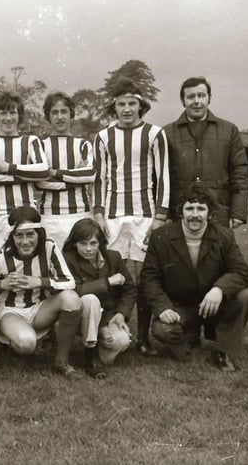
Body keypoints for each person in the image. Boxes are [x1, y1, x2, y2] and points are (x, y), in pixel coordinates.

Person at [93, 77, 169, 356]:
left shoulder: (155, 134)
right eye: (121, 104)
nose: (127, 109)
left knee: (144, 278)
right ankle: (113, 330)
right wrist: (98, 212)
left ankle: (144, 338)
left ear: (141, 106)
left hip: (144, 215)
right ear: (114, 106)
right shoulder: (103, 136)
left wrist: (160, 216)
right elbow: (98, 179)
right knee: (115, 277)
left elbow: (163, 177)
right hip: (112, 216)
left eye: (132, 104)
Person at [141, 184, 248, 371]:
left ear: (209, 213)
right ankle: (189, 336)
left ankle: (223, 349)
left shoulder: (224, 235)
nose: (195, 214)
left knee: (245, 297)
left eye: (201, 209)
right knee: (163, 329)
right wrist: (163, 307)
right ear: (181, 212)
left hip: (213, 306)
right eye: (189, 208)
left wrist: (219, 289)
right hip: (181, 307)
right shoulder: (161, 237)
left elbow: (243, 272)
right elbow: (149, 278)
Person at [0, 206, 84, 377]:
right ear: (12, 236)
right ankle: (7, 344)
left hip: (40, 310)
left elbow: (69, 282)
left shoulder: (49, 248)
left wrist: (38, 282)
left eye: (30, 234)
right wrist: (2, 284)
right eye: (19, 235)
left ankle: (61, 362)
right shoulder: (3, 258)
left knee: (71, 298)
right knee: (27, 343)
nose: (25, 241)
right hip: (11, 312)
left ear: (39, 233)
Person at [164, 76, 248, 228]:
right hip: (180, 215)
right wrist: (165, 214)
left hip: (218, 213)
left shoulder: (229, 131)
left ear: (209, 98)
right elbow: (161, 179)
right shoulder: (167, 133)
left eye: (201, 95)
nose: (197, 101)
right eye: (190, 97)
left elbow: (240, 172)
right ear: (183, 101)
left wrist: (238, 212)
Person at [0, 91, 50, 253]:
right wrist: (25, 176)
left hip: (26, 214)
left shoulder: (31, 141)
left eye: (12, 112)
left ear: (19, 115)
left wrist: (8, 168)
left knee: (28, 265)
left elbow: (44, 170)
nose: (8, 118)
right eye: (3, 113)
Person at [62, 218, 137, 376]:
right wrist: (108, 282)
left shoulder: (113, 257)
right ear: (74, 243)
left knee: (122, 341)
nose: (88, 249)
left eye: (93, 243)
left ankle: (100, 342)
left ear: (100, 243)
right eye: (83, 243)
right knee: (90, 299)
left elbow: (130, 289)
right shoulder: (67, 259)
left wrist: (121, 314)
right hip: (79, 316)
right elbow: (74, 289)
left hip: (106, 316)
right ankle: (91, 357)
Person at [36, 91, 96, 249]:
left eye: (64, 111)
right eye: (54, 112)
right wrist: (74, 180)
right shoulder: (40, 145)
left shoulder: (83, 145)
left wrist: (54, 173)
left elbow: (90, 174)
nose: (60, 117)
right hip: (49, 215)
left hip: (80, 213)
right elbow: (40, 181)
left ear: (72, 114)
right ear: (48, 117)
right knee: (51, 264)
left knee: (79, 264)